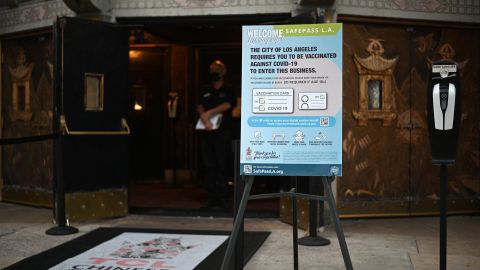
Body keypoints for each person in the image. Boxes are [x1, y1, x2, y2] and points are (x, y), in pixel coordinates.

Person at [197, 60, 234, 209]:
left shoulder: (229, 89)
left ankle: (224, 198)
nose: (214, 71)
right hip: (206, 132)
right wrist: (204, 117)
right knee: (209, 166)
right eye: (212, 69)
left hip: (222, 133)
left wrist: (209, 113)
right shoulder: (205, 89)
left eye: (217, 69)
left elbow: (228, 104)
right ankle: (210, 198)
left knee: (222, 166)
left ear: (223, 72)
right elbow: (199, 105)